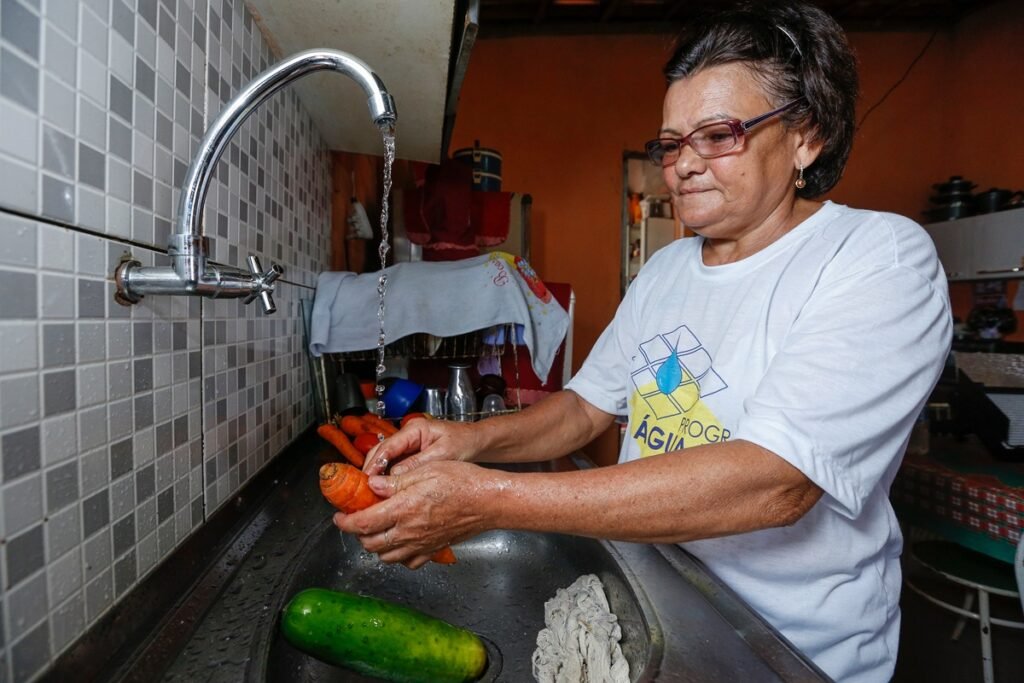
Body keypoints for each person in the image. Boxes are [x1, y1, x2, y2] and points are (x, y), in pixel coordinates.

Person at [334, 2, 952, 681]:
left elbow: (775, 483)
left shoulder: (876, 258)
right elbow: (582, 411)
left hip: (788, 652)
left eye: (718, 135)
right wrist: (470, 441)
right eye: (671, 143)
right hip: (655, 600)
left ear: (806, 137)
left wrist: (487, 497)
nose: (683, 164)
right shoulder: (665, 271)